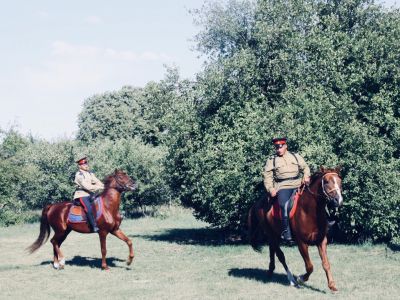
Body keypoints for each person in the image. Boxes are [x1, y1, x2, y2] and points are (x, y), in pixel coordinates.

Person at [263, 137, 310, 242]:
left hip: (299, 184)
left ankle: (326, 221)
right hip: (283, 186)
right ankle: (286, 232)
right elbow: (267, 176)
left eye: (280, 147)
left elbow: (305, 167)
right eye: (276, 147)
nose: (278, 149)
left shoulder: (295, 156)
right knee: (283, 204)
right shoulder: (272, 160)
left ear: (285, 146)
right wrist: (270, 189)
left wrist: (306, 176)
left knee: (316, 197)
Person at [73, 156, 104, 232]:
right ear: (80, 166)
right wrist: (99, 188)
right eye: (84, 164)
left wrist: (105, 186)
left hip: (91, 194)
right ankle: (94, 226)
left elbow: (97, 181)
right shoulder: (79, 175)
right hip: (82, 194)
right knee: (89, 208)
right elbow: (87, 187)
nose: (86, 165)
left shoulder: (90, 173)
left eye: (86, 163)